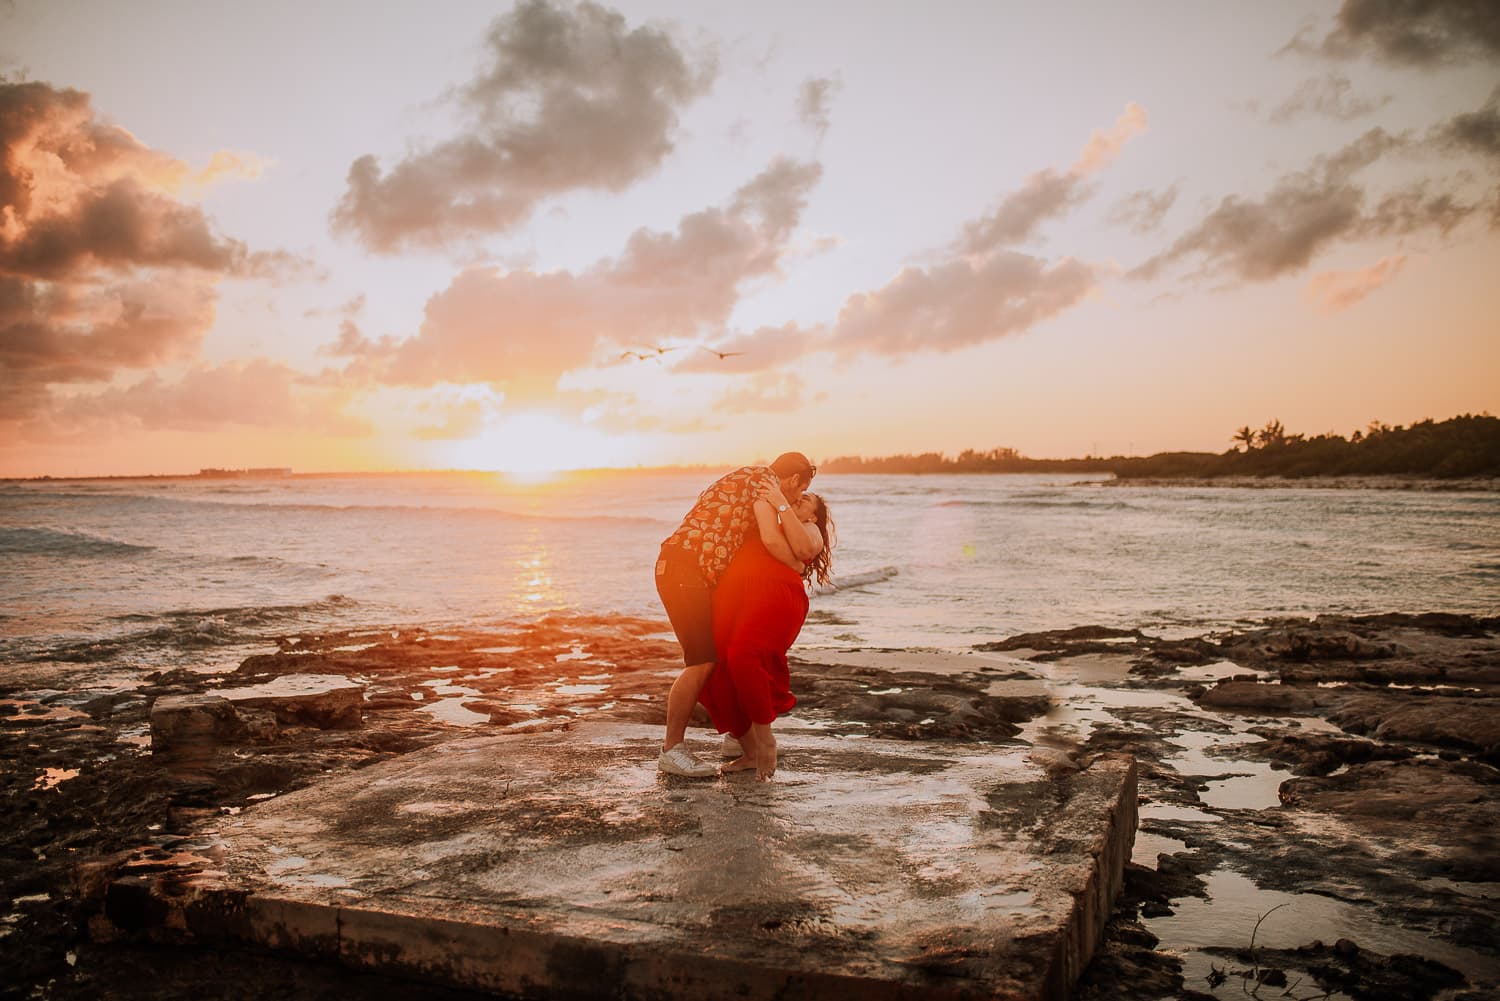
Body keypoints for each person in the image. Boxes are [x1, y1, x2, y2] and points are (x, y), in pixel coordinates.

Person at [655, 452, 821, 777]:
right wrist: (795, 565)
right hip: (683, 569)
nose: (797, 498)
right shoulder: (764, 483)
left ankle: (740, 742)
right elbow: (773, 540)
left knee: (717, 658)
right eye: (800, 492)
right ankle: (671, 749)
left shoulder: (750, 479)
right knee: (702, 661)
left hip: (687, 570)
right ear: (792, 480)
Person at [699, 491, 833, 780]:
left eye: (807, 500)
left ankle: (766, 740)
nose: (801, 498)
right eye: (800, 494)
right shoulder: (768, 516)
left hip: (774, 597)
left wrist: (782, 504)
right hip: (735, 595)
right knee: (715, 667)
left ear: (813, 515)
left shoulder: (810, 529)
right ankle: (748, 750)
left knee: (744, 656)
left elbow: (806, 551)